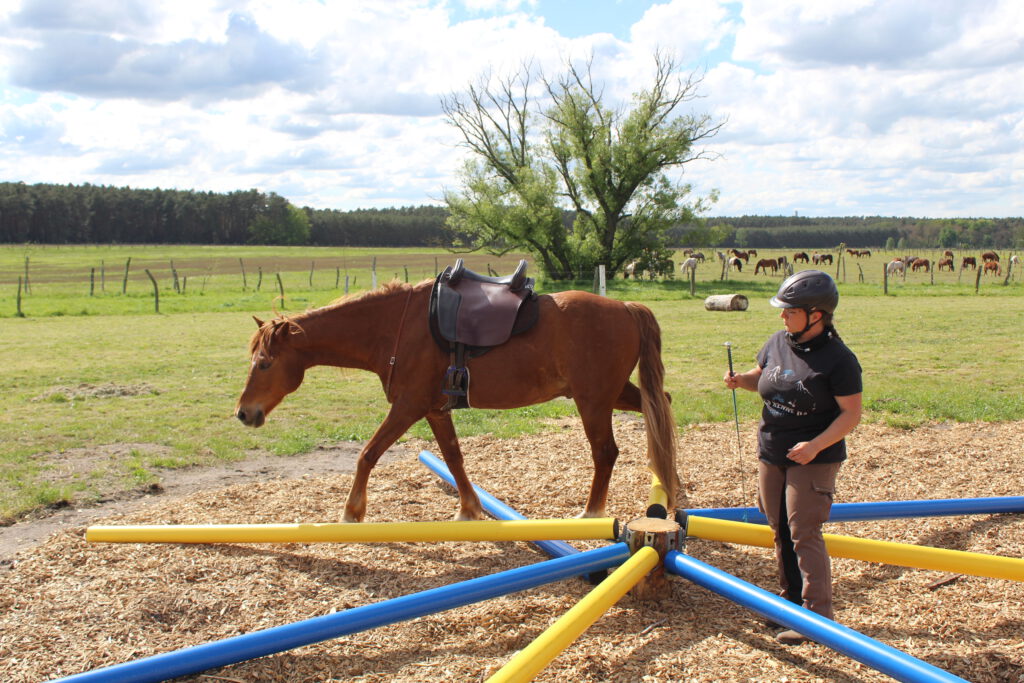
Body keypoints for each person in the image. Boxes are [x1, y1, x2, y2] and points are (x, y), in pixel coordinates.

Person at [723, 269, 862, 645]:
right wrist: (741, 380)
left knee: (803, 530)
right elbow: (762, 377)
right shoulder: (777, 343)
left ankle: (818, 618)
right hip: (772, 450)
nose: (782, 317)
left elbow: (851, 414)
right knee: (779, 527)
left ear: (816, 314)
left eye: (790, 311)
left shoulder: (839, 360)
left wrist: (816, 445)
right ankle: (789, 603)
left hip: (814, 457)